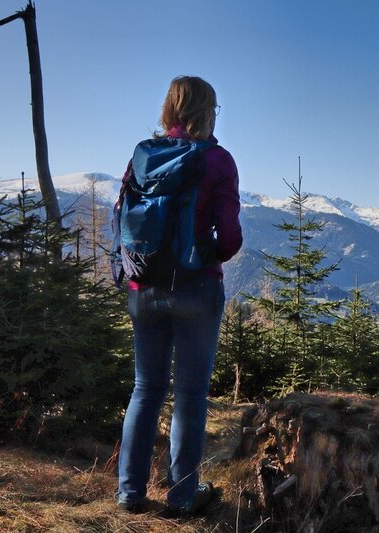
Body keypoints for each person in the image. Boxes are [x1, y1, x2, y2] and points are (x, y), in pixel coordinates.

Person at [116, 76, 242, 516]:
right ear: (208, 111)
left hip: (142, 286)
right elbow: (229, 237)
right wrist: (208, 253)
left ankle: (130, 494)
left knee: (145, 389)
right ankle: (182, 497)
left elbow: (122, 217)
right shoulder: (218, 160)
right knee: (189, 395)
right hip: (196, 287)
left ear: (169, 108)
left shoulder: (143, 156)